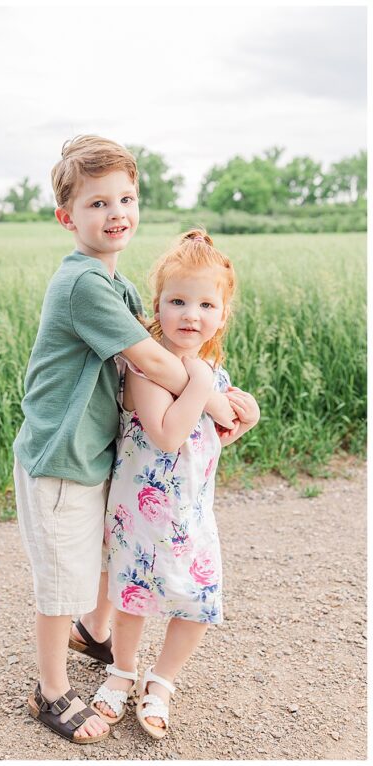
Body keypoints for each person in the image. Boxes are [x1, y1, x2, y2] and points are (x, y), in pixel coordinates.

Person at [12, 136, 240, 744]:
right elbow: (158, 365)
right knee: (63, 576)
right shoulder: (84, 284)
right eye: (97, 204)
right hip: (61, 453)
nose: (116, 213)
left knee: (108, 559)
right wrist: (220, 404)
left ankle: (94, 632)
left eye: (127, 198)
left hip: (94, 450)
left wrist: (216, 400)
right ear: (68, 218)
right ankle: (51, 691)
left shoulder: (120, 286)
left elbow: (162, 360)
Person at [91, 231, 259, 738]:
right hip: (140, 511)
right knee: (133, 596)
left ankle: (161, 680)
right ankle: (121, 671)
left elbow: (200, 446)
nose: (192, 314)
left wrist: (236, 422)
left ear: (223, 315)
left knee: (200, 600)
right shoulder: (147, 368)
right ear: (157, 306)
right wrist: (206, 391)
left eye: (206, 304)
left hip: (191, 513)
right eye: (178, 301)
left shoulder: (212, 372)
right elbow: (165, 437)